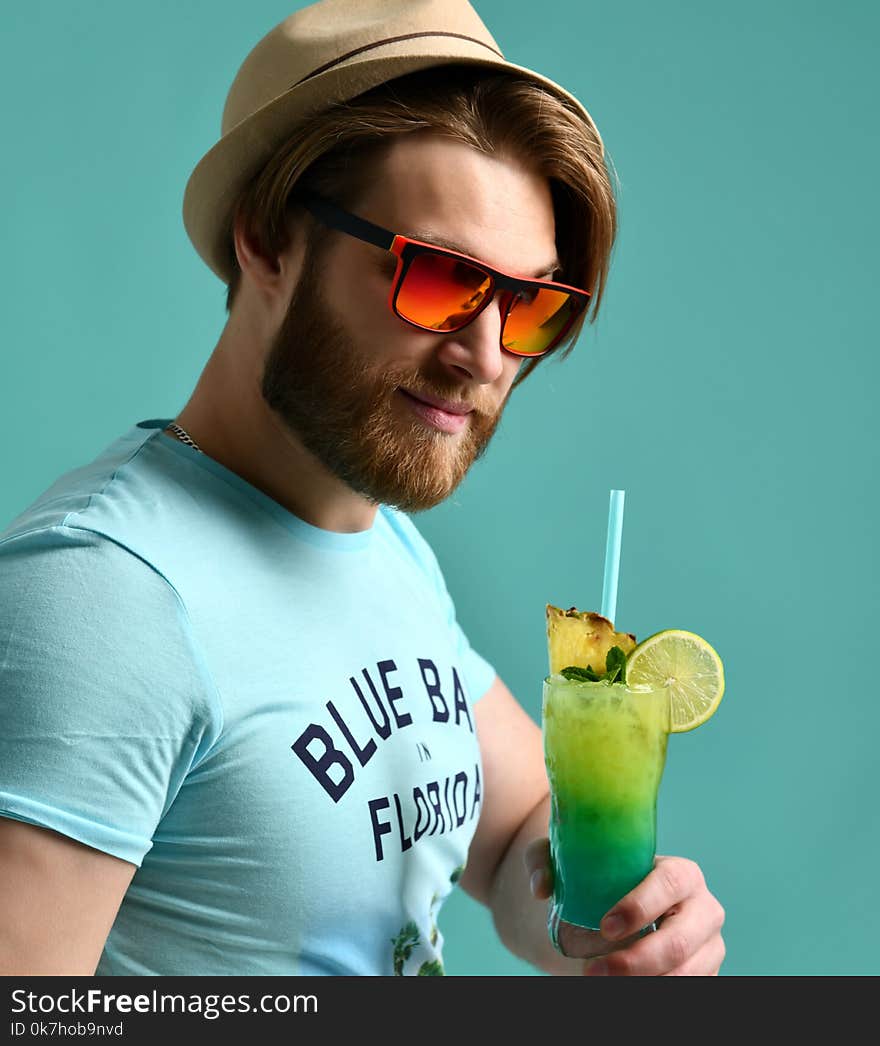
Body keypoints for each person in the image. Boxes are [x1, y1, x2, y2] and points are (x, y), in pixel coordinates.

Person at [0, 0, 725, 976]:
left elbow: (514, 835)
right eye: (434, 277)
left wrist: (599, 911)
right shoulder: (109, 598)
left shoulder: (383, 550)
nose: (483, 357)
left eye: (528, 303)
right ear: (267, 240)